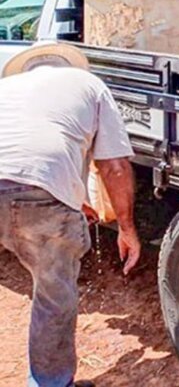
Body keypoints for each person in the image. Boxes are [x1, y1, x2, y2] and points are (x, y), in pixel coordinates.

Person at [0, 42, 140, 387]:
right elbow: (114, 166)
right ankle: (49, 383)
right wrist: (127, 229)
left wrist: (73, 199)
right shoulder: (90, 85)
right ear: (73, 68)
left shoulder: (6, 88)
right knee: (53, 294)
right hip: (41, 197)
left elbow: (22, 153)